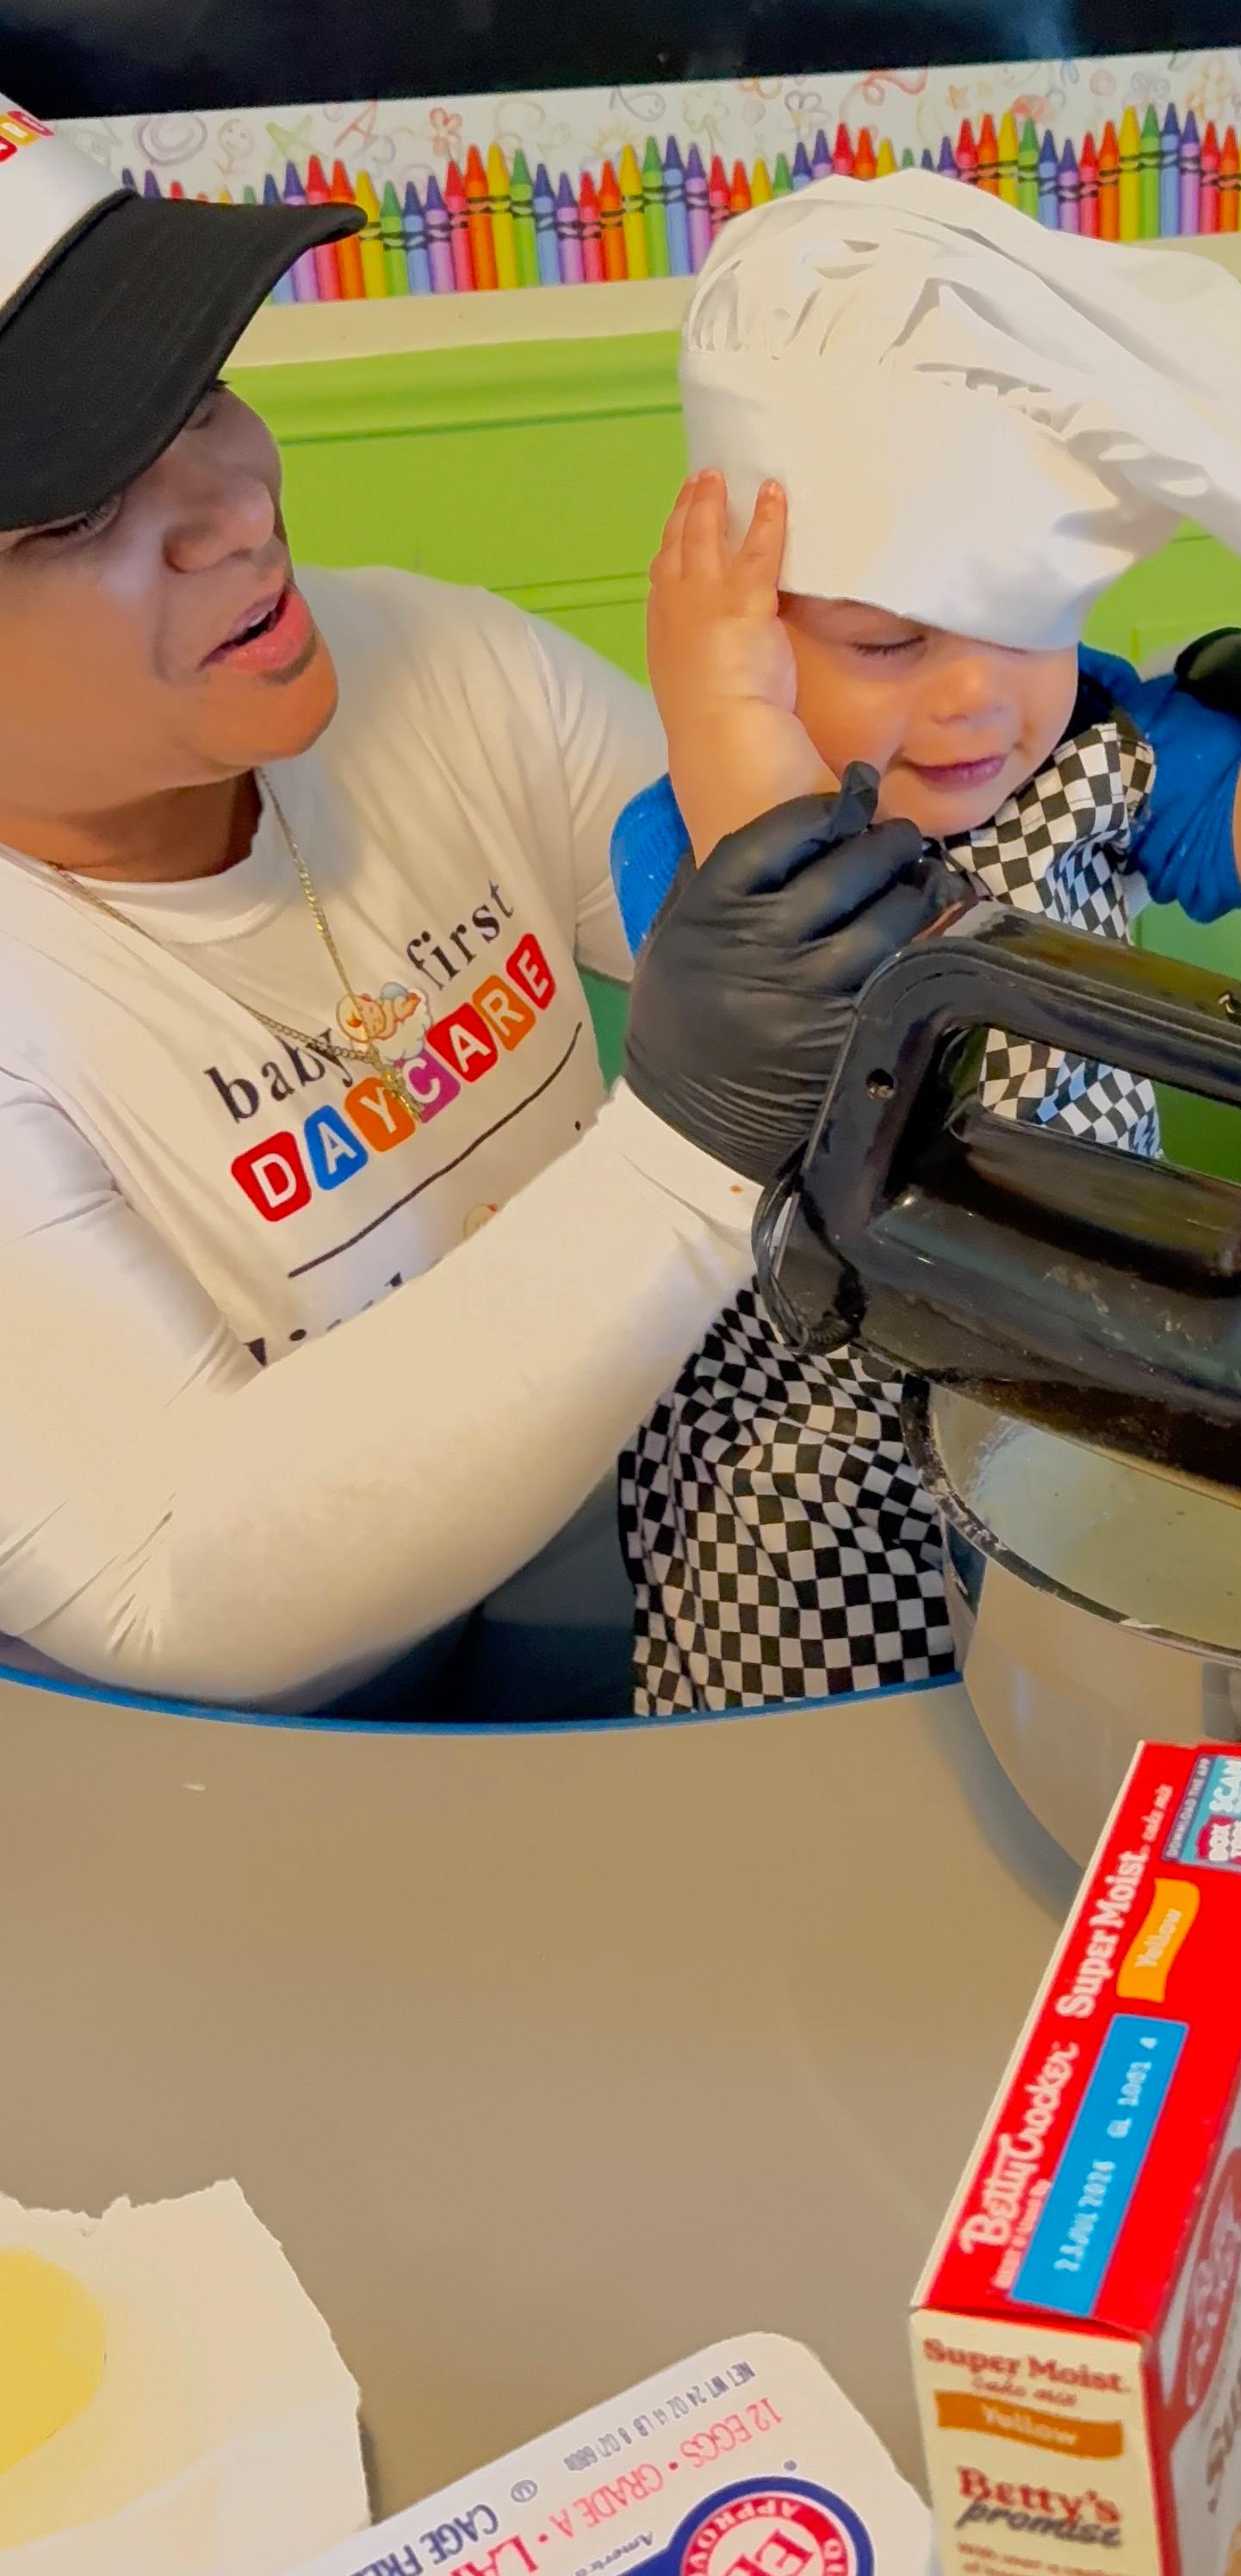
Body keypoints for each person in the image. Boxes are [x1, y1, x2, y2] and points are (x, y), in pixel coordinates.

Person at [0, 101, 956, 1716]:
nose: (236, 505)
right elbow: (169, 1578)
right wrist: (681, 1157)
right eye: (87, 508)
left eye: (205, 396)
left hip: (622, 1584)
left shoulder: (427, 667)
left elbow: (807, 926)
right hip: (255, 1800)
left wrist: (1105, 750)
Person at [610, 173, 1241, 1712]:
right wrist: (720, 713)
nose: (973, 699)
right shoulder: (692, 826)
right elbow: (820, 952)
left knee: (1078, 1680)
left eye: (1019, 626)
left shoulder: (1099, 747)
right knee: (839, 1742)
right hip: (826, 1420)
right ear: (744, 628)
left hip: (1091, 1360)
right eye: (888, 644)